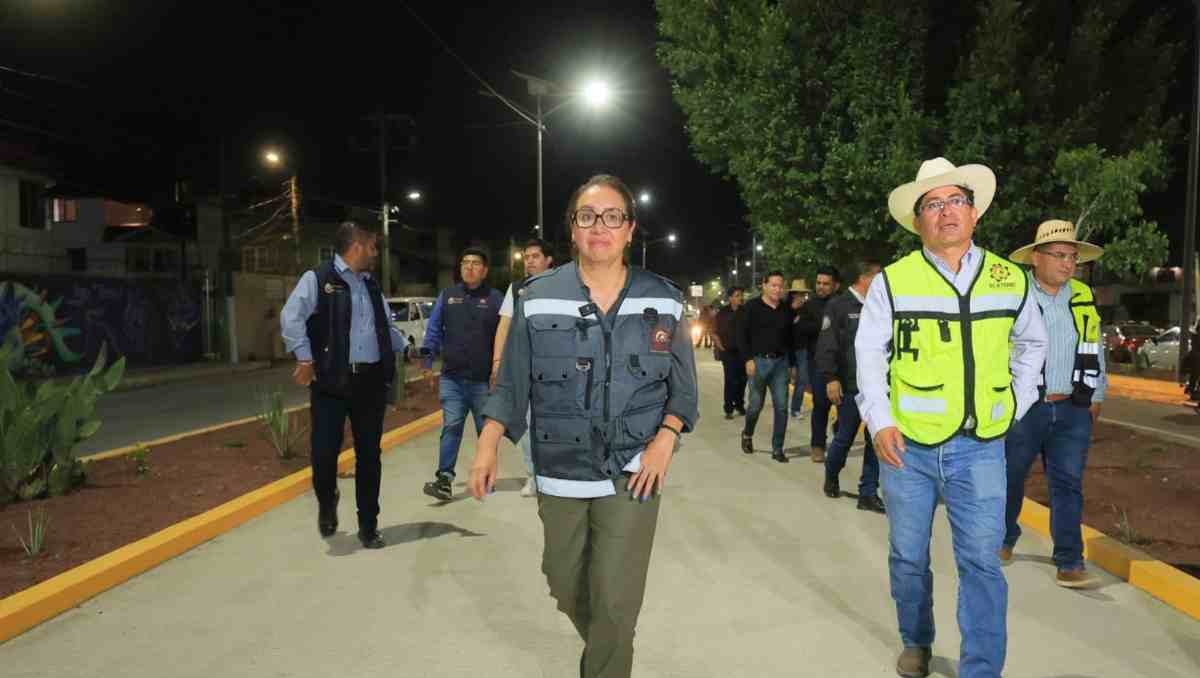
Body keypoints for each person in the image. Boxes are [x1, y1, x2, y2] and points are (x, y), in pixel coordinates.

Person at [469, 174, 699, 678]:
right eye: (587, 216)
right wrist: (487, 444)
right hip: (561, 468)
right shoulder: (537, 296)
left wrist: (666, 439)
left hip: (634, 470)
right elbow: (511, 383)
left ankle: (606, 659)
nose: (600, 226)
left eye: (612, 216)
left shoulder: (662, 299)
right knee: (563, 581)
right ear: (572, 229)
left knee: (616, 600)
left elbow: (684, 391)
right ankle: (607, 648)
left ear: (630, 229)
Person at [857, 157, 1047, 678]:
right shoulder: (894, 281)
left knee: (982, 562)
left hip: (980, 448)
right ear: (918, 220)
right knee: (908, 557)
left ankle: (981, 669)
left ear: (974, 212)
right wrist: (880, 420)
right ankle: (916, 639)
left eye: (956, 200)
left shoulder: (1009, 277)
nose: (946, 212)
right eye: (933, 204)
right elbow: (869, 354)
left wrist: (1015, 401)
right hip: (907, 449)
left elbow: (1032, 344)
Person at [279, 221, 409, 549]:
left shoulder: (371, 285)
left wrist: (410, 348)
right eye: (372, 247)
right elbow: (291, 318)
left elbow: (385, 329)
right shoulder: (319, 279)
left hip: (370, 382)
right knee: (324, 454)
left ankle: (369, 525)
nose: (376, 253)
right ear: (356, 246)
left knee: (370, 456)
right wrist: (304, 358)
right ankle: (327, 499)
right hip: (330, 381)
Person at [1004, 220, 1106, 588]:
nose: (1067, 264)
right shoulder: (1015, 294)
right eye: (1059, 255)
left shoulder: (1082, 295)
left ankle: (1069, 559)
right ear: (1036, 257)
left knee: (1068, 484)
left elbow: (1094, 343)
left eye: (1073, 257)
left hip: (1073, 407)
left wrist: (1097, 394)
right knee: (1010, 476)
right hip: (1025, 407)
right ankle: (1003, 538)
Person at [420, 247, 503, 501]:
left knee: (485, 431)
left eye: (475, 263)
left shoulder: (496, 299)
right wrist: (427, 361)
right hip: (452, 378)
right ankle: (444, 479)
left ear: (484, 270)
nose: (469, 267)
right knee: (452, 426)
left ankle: (486, 476)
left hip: (483, 381)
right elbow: (434, 330)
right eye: (465, 262)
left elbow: (506, 336)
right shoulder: (448, 296)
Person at [816, 257, 885, 513]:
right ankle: (832, 474)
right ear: (864, 278)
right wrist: (831, 378)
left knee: (875, 440)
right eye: (877, 276)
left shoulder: (881, 304)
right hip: (850, 385)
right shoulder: (838, 305)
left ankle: (868, 492)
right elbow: (827, 344)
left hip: (878, 387)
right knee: (844, 437)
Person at [491, 237, 555, 498]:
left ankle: (556, 473)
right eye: (526, 257)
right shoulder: (516, 289)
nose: (529, 261)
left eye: (535, 256)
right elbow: (504, 325)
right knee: (527, 425)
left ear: (549, 260)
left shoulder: (564, 286)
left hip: (556, 368)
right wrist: (497, 362)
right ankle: (534, 475)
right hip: (524, 368)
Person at [737, 271, 795, 463]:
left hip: (781, 364)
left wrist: (792, 364)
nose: (777, 289)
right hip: (758, 362)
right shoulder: (751, 307)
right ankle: (747, 434)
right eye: (773, 285)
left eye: (780, 286)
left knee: (782, 407)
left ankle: (777, 448)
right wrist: (748, 359)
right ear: (764, 285)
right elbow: (741, 335)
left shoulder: (786, 309)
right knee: (755, 406)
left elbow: (790, 339)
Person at [794, 266, 840, 462]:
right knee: (820, 405)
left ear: (835, 285)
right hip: (818, 364)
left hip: (843, 364)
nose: (821, 287)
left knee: (845, 406)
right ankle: (818, 446)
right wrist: (822, 326)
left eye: (825, 283)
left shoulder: (843, 304)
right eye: (818, 283)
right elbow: (800, 331)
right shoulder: (809, 307)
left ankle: (839, 434)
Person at [713, 286, 747, 420]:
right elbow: (714, 331)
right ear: (730, 298)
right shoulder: (722, 313)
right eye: (737, 295)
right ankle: (728, 408)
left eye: (741, 295)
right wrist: (721, 347)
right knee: (730, 380)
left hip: (743, 352)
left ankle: (739, 404)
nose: (740, 298)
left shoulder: (745, 311)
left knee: (742, 380)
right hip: (728, 352)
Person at [788, 283, 811, 419]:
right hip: (787, 350)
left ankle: (795, 408)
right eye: (800, 294)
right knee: (785, 379)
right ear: (793, 295)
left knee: (802, 380)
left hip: (803, 349)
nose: (802, 297)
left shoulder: (806, 310)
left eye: (803, 294)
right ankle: (781, 404)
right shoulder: (785, 309)